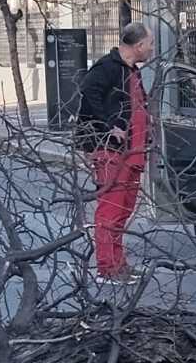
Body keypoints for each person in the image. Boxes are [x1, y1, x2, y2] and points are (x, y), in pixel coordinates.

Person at [75, 22, 155, 285]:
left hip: (132, 151)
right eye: (150, 44)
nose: (152, 49)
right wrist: (109, 125)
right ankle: (107, 269)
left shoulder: (131, 70)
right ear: (139, 45)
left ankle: (119, 264)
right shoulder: (107, 67)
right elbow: (88, 91)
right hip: (111, 151)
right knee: (111, 209)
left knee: (123, 210)